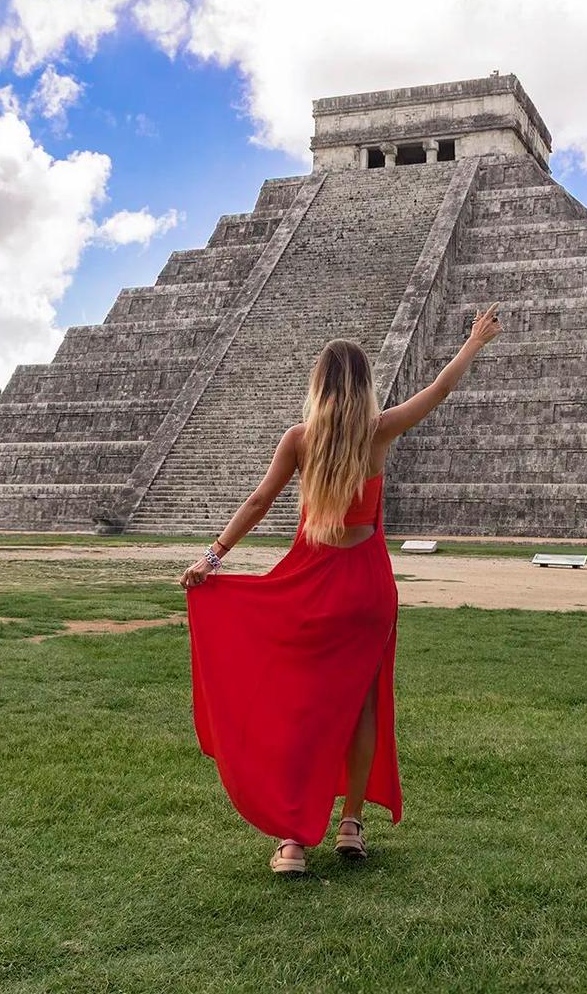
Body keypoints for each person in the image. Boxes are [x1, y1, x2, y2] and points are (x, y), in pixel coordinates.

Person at [181, 304, 504, 876]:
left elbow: (258, 503)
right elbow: (438, 390)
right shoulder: (380, 431)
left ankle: (292, 841)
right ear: (365, 386)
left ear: (319, 385)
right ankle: (350, 826)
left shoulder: (300, 440)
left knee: (302, 708)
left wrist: (213, 557)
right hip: (368, 594)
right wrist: (474, 342)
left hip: (313, 588)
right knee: (361, 706)